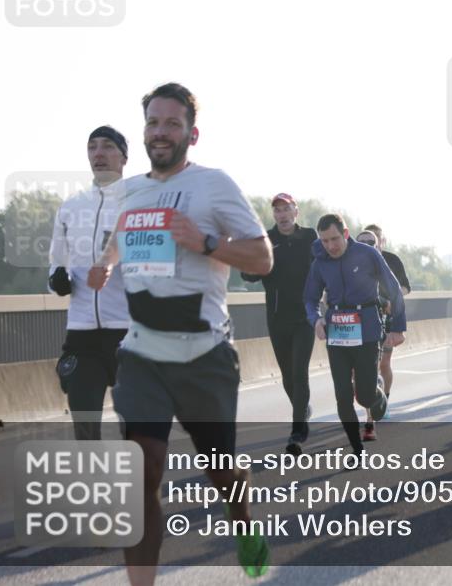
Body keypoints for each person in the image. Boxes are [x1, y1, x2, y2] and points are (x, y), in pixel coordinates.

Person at [88, 83, 273, 583]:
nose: (160, 132)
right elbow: (119, 244)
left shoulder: (213, 185)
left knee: (220, 471)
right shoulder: (128, 192)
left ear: (192, 132)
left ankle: (242, 518)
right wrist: (104, 266)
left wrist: (205, 241)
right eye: (152, 122)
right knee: (141, 468)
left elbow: (262, 258)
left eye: (172, 123)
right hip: (142, 354)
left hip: (204, 355)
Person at [48, 125, 130, 441]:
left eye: (108, 146)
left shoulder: (138, 203)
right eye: (92, 147)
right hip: (82, 333)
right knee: (84, 428)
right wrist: (57, 278)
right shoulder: (71, 207)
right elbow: (57, 262)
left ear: (124, 156)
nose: (99, 153)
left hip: (128, 330)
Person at [304, 215, 406, 456]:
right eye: (325, 240)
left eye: (335, 239)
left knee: (365, 395)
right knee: (342, 394)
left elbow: (393, 290)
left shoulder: (367, 254)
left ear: (346, 234)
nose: (331, 246)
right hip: (337, 332)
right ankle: (357, 449)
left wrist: (397, 327)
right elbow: (310, 298)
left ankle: (375, 392)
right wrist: (316, 318)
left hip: (368, 330)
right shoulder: (320, 260)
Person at [240, 193, 318, 455]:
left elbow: (324, 266)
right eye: (277, 211)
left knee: (299, 371)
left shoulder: (309, 238)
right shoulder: (266, 239)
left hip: (305, 316)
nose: (282, 214)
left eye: (286, 209)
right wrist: (253, 264)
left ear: (296, 211)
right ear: (274, 215)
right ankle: (302, 408)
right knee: (287, 376)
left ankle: (297, 431)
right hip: (277, 317)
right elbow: (247, 274)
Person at [357, 225, 410, 441]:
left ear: (380, 243)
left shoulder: (391, 261)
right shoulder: (350, 261)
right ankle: (374, 402)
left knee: (382, 365)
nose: (368, 246)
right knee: (360, 375)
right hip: (359, 322)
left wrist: (398, 325)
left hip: (386, 320)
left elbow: (402, 290)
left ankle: (379, 406)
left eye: (373, 242)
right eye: (363, 243)